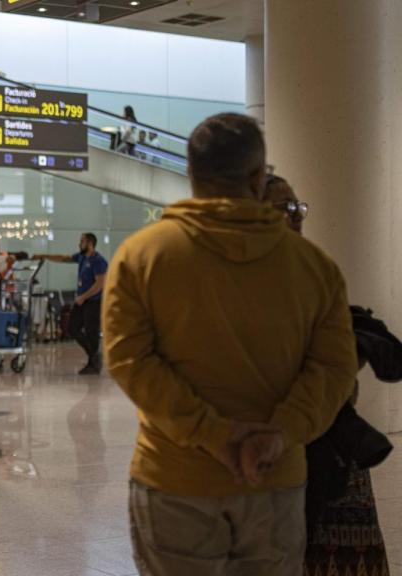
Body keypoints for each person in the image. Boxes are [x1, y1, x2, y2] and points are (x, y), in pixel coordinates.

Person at [103, 113, 357, 575]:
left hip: (175, 478)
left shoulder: (142, 257)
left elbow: (129, 361)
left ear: (191, 174)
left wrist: (213, 435)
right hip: (275, 479)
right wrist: (279, 434)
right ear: (258, 178)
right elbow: (334, 368)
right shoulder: (314, 267)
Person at [266, 175, 392, 576]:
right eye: (285, 208)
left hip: (332, 453)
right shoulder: (233, 288)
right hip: (275, 456)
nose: (297, 216)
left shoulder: (316, 274)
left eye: (298, 207)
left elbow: (339, 373)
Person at [33, 233, 108, 375]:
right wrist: (44, 256)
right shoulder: (82, 257)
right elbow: (63, 258)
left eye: (82, 241)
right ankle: (95, 356)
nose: (79, 244)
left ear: (90, 243)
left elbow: (100, 284)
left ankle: (93, 364)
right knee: (72, 328)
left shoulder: (99, 261)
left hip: (93, 302)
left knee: (91, 332)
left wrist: (84, 297)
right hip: (81, 301)